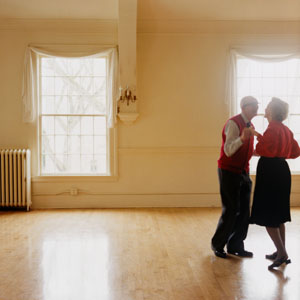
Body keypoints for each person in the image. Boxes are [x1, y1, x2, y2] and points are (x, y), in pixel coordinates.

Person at [250, 97, 300, 270]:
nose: (265, 109)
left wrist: (256, 142)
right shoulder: (286, 129)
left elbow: (264, 149)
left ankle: (282, 253)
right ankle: (280, 251)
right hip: (282, 170)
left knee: (268, 214)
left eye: (268, 107)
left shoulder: (272, 128)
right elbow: (295, 152)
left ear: (272, 111)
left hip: (270, 171)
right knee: (278, 214)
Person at [211, 96, 258, 258]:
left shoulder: (251, 125)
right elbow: (229, 150)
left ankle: (236, 245)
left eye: (257, 106)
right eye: (253, 106)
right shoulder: (233, 123)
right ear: (244, 107)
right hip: (228, 171)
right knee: (230, 210)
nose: (257, 109)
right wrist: (243, 138)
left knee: (245, 211)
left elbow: (247, 150)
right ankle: (218, 245)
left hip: (244, 171)